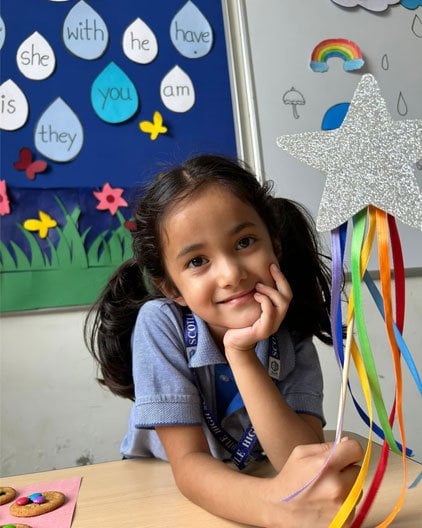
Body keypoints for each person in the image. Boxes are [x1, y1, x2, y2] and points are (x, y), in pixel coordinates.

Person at [85, 155, 362, 527]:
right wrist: (274, 505)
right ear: (171, 287)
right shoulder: (160, 323)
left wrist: (241, 352)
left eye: (244, 241)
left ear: (274, 246)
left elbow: (299, 458)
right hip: (160, 489)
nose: (231, 274)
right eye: (197, 261)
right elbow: (188, 464)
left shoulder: (290, 331)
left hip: (255, 474)